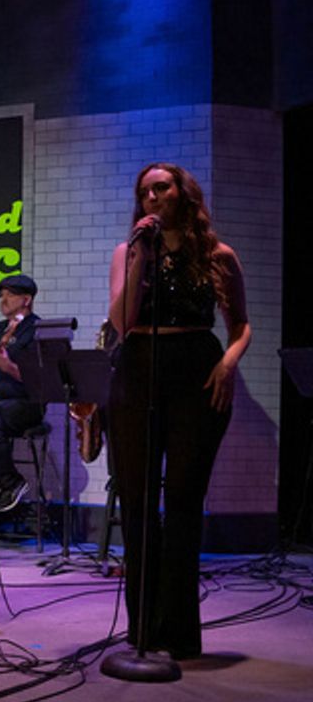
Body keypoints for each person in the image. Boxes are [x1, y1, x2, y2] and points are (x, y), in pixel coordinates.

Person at [107, 163, 250, 659]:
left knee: (184, 502)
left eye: (161, 187)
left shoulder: (217, 255)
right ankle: (143, 631)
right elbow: (120, 322)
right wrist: (139, 261)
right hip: (138, 368)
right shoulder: (130, 252)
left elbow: (241, 326)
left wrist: (229, 363)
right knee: (138, 503)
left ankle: (181, 636)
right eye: (144, 191)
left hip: (197, 371)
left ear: (182, 193)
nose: (151, 197)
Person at [0, 274, 44, 529]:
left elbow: (40, 380)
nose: (3, 300)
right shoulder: (0, 330)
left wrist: (8, 366)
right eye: (2, 294)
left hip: (26, 403)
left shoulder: (37, 330)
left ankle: (11, 481)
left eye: (10, 294)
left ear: (26, 300)